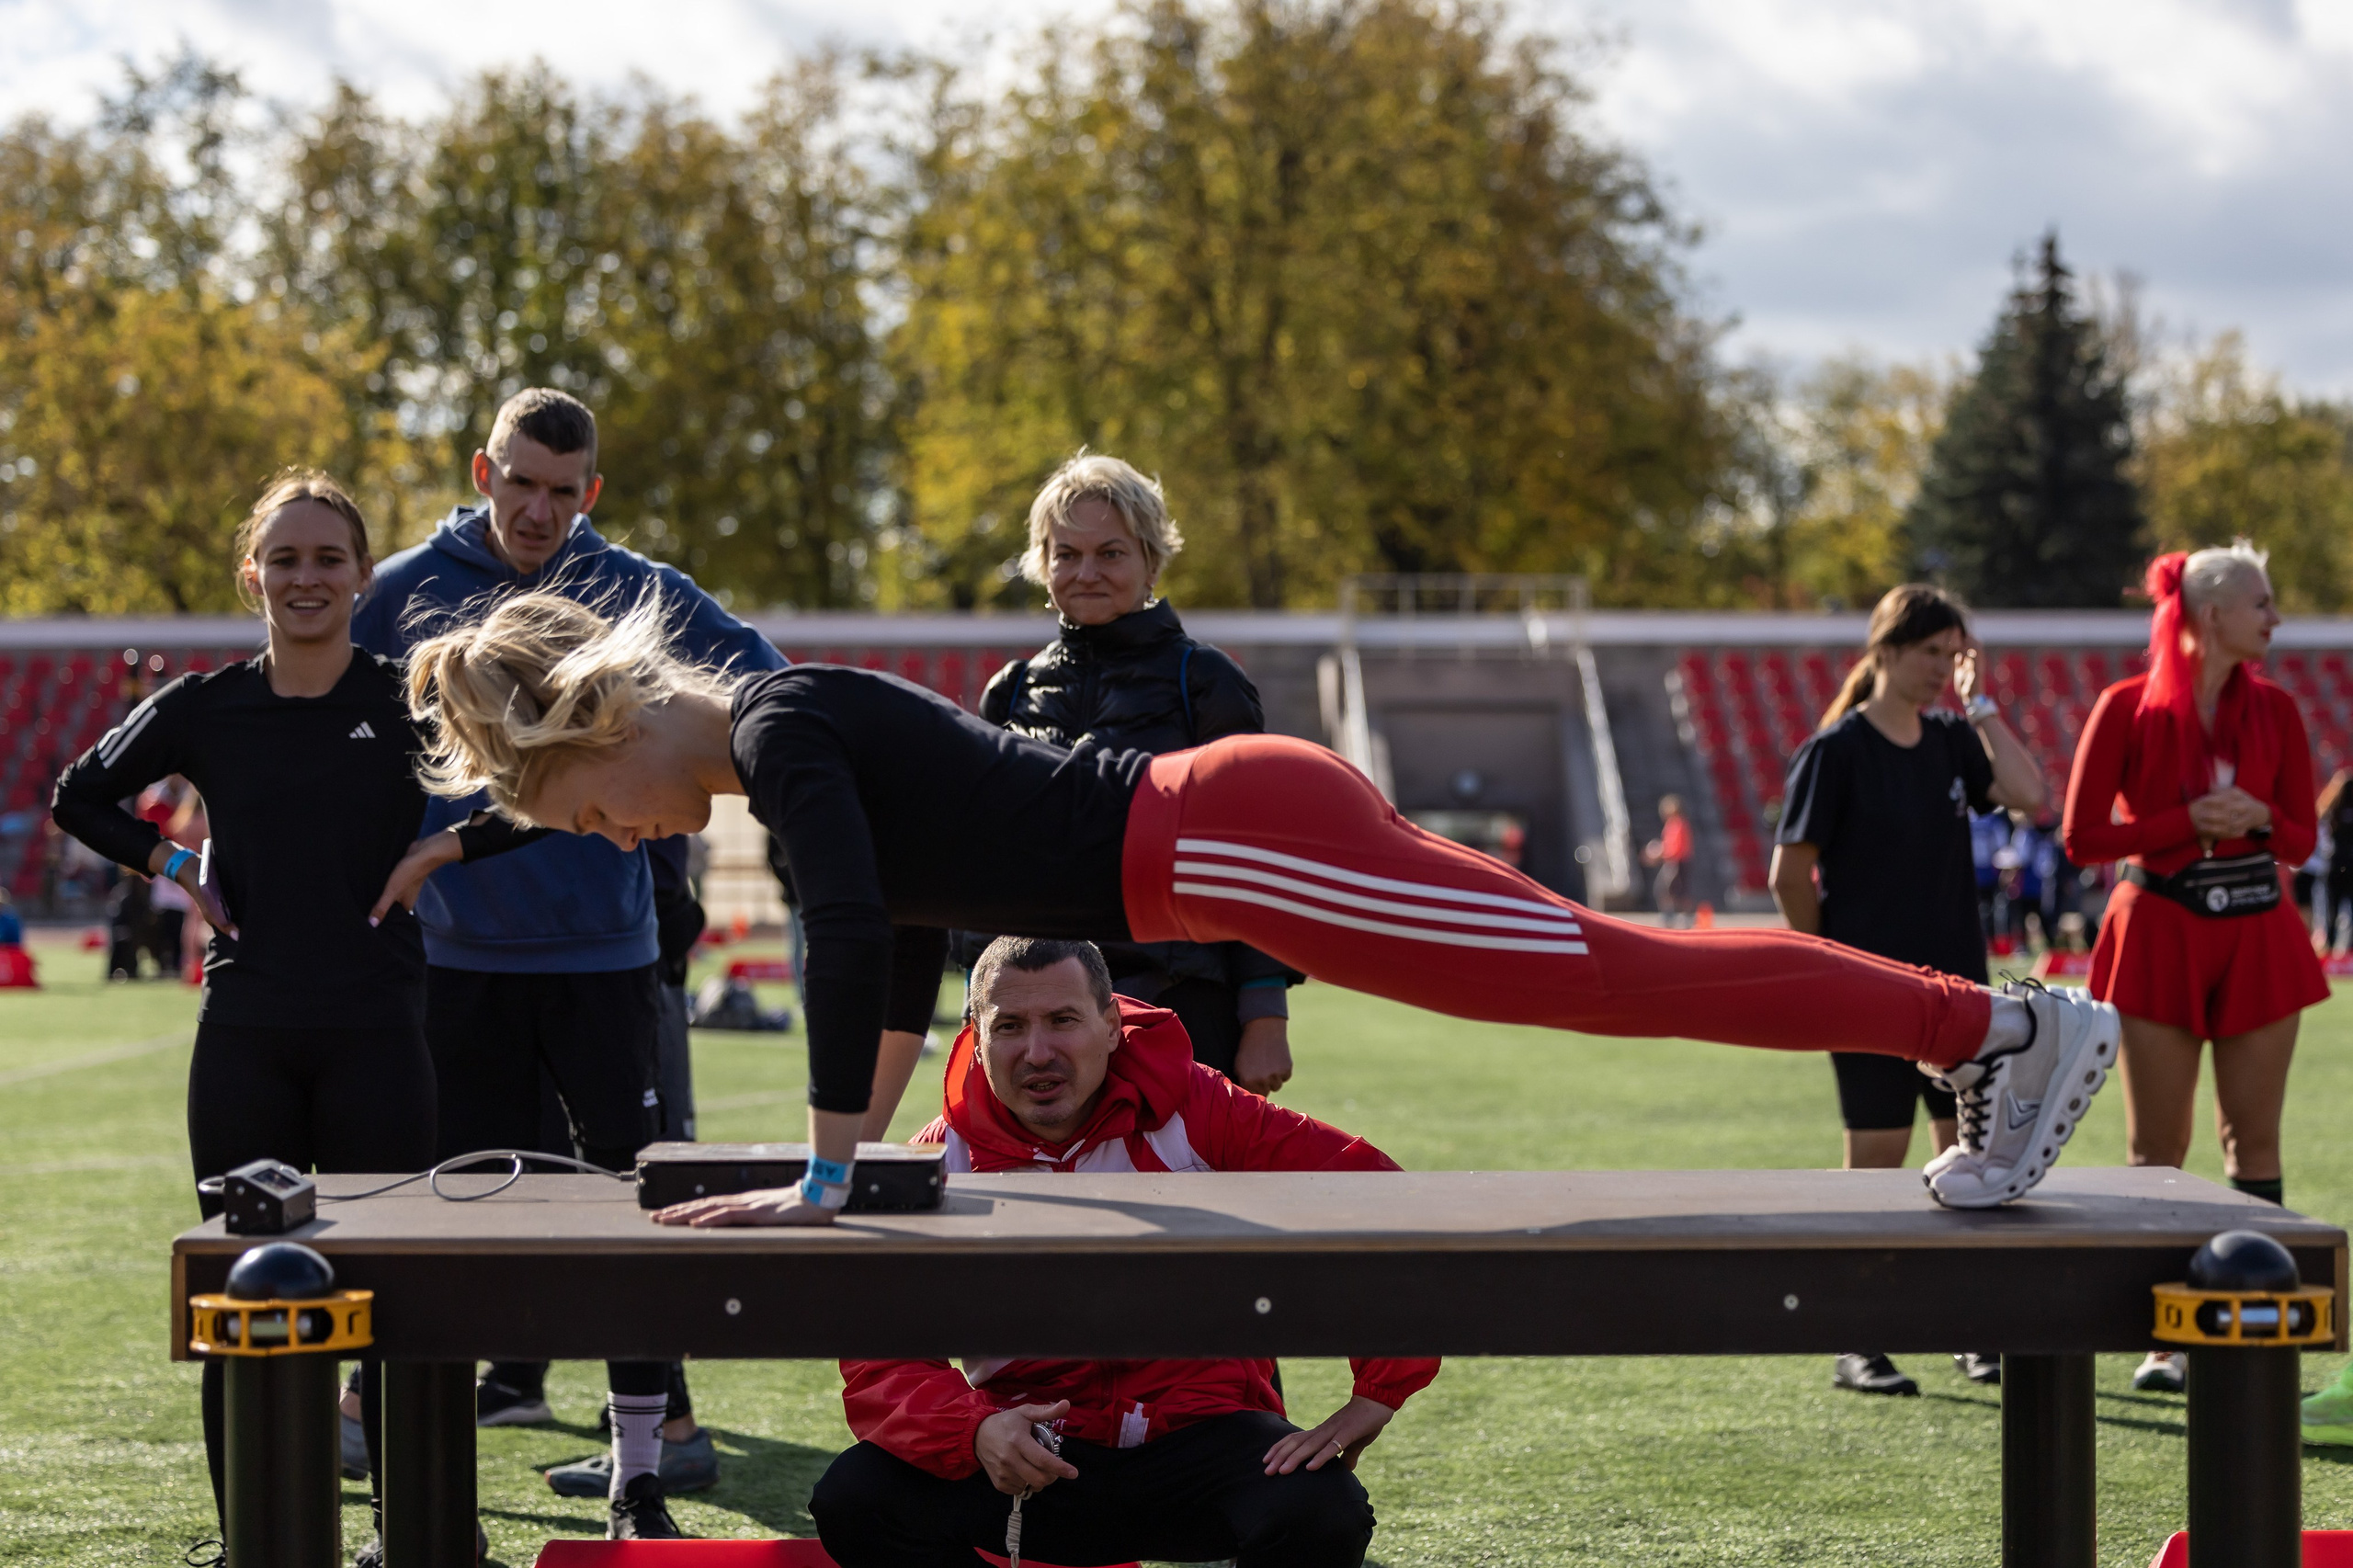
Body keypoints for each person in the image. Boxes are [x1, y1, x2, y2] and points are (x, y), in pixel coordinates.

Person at [383, 592, 2121, 1235]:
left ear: (601, 729)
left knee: (1610, 976)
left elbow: (846, 935)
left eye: (575, 813)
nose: (612, 840)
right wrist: (886, 1144)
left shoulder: (777, 724)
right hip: (1224, 843)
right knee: (1606, 976)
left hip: (1228, 843)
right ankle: (1988, 1032)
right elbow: (901, 939)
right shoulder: (784, 747)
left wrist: (829, 1176)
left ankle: (2003, 1027)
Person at [49, 470, 536, 1562]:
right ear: (252, 575)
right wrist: (174, 860)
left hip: (378, 1036)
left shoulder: (410, 695)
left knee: (405, 1307)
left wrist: (437, 848)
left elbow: (540, 782)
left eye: (327, 558)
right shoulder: (204, 707)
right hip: (249, 1041)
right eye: (285, 558)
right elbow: (77, 793)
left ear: (363, 576)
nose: (305, 577)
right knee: (240, 1303)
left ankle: (415, 1535)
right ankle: (251, 1538)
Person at [349, 387, 784, 1534]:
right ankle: (420, 1464)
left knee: (634, 1200)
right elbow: (327, 738)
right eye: (520, 482)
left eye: (563, 489)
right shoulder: (397, 591)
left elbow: (767, 684)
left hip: (607, 956)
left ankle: (656, 1448)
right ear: (480, 469)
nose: (539, 509)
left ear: (589, 491)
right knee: (453, 1201)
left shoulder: (631, 586)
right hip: (457, 958)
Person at [808, 935, 1438, 1568]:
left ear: (1111, 1024)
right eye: (1010, 1027)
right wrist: (973, 1430)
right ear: (976, 1034)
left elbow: (1377, 1194)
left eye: (1063, 1021)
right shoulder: (942, 1160)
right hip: (1029, 1451)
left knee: (1322, 1509)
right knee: (857, 1497)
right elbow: (878, 1351)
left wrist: (1378, 1392)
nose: (1037, 1052)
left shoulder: (1200, 1112)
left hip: (1201, 1442)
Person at [2061, 543, 2329, 1397]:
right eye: (2263, 603)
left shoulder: (2278, 710)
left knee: (2253, 1142)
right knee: (2158, 1148)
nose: (2276, 618)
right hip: (2161, 926)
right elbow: (2081, 838)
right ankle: (2164, 1340)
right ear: (2210, 615)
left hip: (2257, 927)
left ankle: (2263, 1328)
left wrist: (2255, 816)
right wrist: (2182, 821)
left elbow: (2302, 840)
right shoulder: (2125, 705)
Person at [1772, 585, 2045, 1397]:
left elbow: (2034, 797)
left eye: (1955, 654)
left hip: (1956, 993)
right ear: (1886, 649)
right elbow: (1790, 874)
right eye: (1932, 652)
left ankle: (1962, 1326)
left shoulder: (1955, 742)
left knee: (1963, 1159)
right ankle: (1858, 1338)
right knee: (1877, 1164)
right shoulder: (1837, 750)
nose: (1943, 669)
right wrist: (1833, 967)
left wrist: (1983, 701)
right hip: (1869, 993)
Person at [967, 452, 1298, 1096]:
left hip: (1181, 1000)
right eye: (1066, 554)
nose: (1086, 572)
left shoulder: (1206, 682)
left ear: (1151, 559)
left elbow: (1256, 851)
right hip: (1042, 1015)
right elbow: (988, 864)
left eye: (1111, 553)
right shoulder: (1008, 694)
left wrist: (1265, 1013)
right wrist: (981, 999)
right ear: (1042, 561)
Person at [1643, 794, 1696, 927]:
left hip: (1677, 862)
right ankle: (1673, 916)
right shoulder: (1673, 824)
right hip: (1674, 861)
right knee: (1671, 890)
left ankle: (1680, 917)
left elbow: (1676, 847)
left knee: (1670, 890)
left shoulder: (1678, 823)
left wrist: (1659, 853)